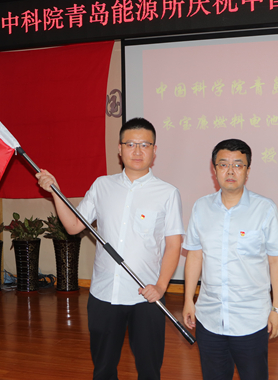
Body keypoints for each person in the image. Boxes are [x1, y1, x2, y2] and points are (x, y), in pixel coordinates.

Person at [36, 117, 184, 380]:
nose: (137, 151)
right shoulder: (102, 185)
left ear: (154, 150)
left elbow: (174, 245)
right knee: (103, 369)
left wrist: (161, 287)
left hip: (147, 296)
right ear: (119, 148)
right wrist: (55, 192)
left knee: (149, 371)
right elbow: (73, 226)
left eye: (144, 145)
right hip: (105, 294)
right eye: (130, 144)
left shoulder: (167, 193)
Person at [182, 138, 278, 380]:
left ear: (247, 171)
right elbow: (195, 255)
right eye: (223, 164)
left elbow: (276, 261)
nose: (230, 171)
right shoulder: (201, 207)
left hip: (251, 319)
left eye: (238, 165)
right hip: (209, 317)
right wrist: (188, 300)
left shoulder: (264, 209)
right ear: (214, 169)